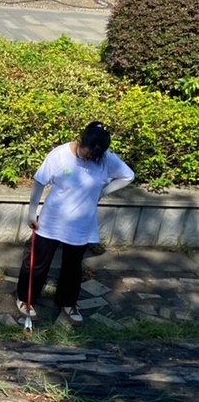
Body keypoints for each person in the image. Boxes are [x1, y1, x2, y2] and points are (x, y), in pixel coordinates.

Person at [16, 121, 134, 325]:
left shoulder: (105, 158)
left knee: (72, 267)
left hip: (81, 224)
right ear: (80, 140)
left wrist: (103, 192)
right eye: (86, 153)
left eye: (93, 156)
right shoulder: (60, 154)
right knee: (37, 263)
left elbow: (128, 176)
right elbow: (40, 181)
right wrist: (32, 213)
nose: (89, 159)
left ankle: (67, 302)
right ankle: (25, 299)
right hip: (51, 221)